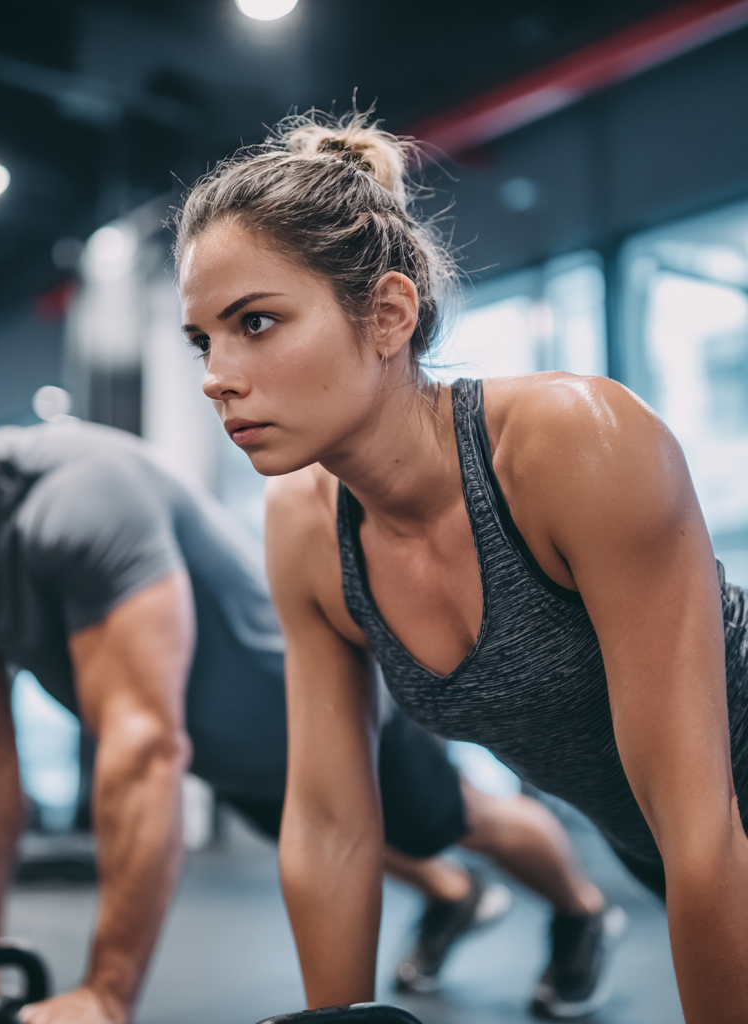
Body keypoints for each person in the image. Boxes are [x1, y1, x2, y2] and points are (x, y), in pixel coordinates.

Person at [0, 289, 606, 1023]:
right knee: (379, 851)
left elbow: (145, 746)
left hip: (327, 715)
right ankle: (456, 900)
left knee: (459, 819)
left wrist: (107, 995)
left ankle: (582, 909)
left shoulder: (77, 498)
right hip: (235, 756)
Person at [173, 110, 748, 1024]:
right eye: (203, 339)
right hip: (663, 857)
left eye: (256, 322)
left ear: (389, 314)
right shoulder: (307, 530)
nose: (217, 374)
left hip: (714, 841)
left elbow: (704, 825)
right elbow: (330, 823)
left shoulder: (576, 443)